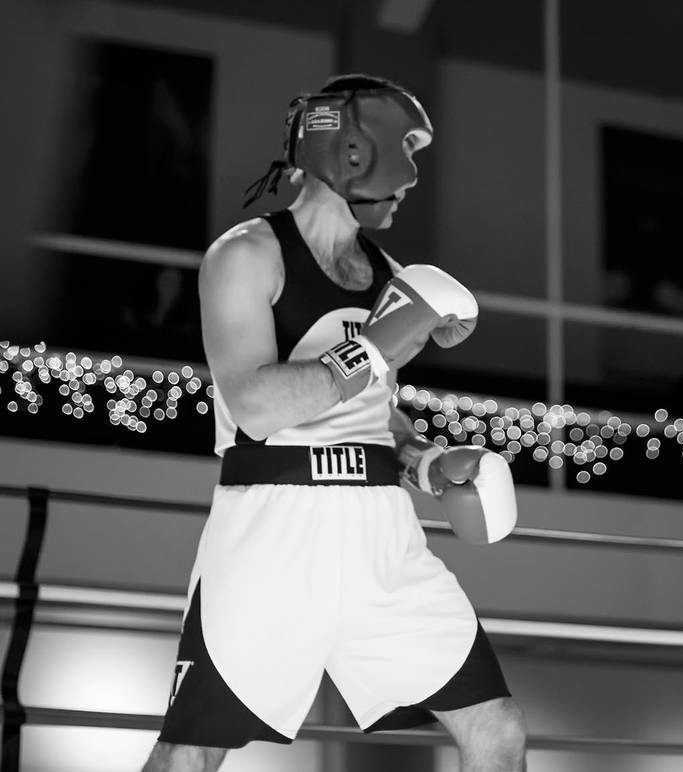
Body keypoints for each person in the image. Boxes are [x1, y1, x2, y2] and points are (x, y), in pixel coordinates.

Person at [141, 74, 526, 771]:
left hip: (381, 533)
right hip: (274, 529)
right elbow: (254, 405)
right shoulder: (246, 255)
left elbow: (376, 410)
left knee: (496, 730)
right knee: (190, 756)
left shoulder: (391, 274)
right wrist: (375, 346)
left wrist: (427, 464)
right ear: (353, 149)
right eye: (403, 149)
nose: (410, 177)